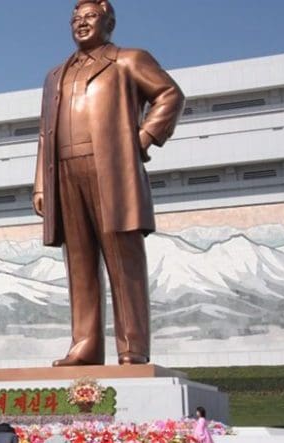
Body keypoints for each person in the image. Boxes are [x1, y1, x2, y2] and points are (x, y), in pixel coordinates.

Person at [33, 0, 184, 366]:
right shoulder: (56, 74)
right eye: (76, 18)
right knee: (80, 262)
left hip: (111, 169)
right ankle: (84, 344)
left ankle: (132, 345)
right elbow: (44, 133)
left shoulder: (128, 59)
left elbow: (169, 95)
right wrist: (40, 183)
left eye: (90, 17)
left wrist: (142, 139)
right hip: (65, 170)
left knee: (123, 258)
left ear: (109, 22)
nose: (81, 24)